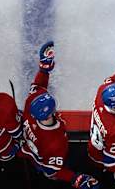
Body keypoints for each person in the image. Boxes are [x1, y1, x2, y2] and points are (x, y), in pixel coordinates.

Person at [19, 41, 99, 189]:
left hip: (30, 151)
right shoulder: (56, 142)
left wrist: (44, 69)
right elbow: (52, 171)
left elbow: (39, 87)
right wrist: (74, 178)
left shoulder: (31, 103)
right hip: (43, 160)